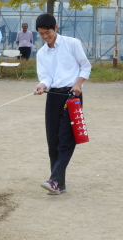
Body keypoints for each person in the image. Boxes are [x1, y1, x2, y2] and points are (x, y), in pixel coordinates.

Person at [34, 13, 91, 195]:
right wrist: (42, 85)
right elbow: (46, 77)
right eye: (41, 34)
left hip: (72, 96)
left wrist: (78, 84)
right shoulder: (41, 53)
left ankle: (54, 180)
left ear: (56, 28)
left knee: (66, 138)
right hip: (53, 97)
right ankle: (60, 183)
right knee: (53, 140)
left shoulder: (72, 43)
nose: (45, 37)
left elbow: (85, 66)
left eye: (47, 32)